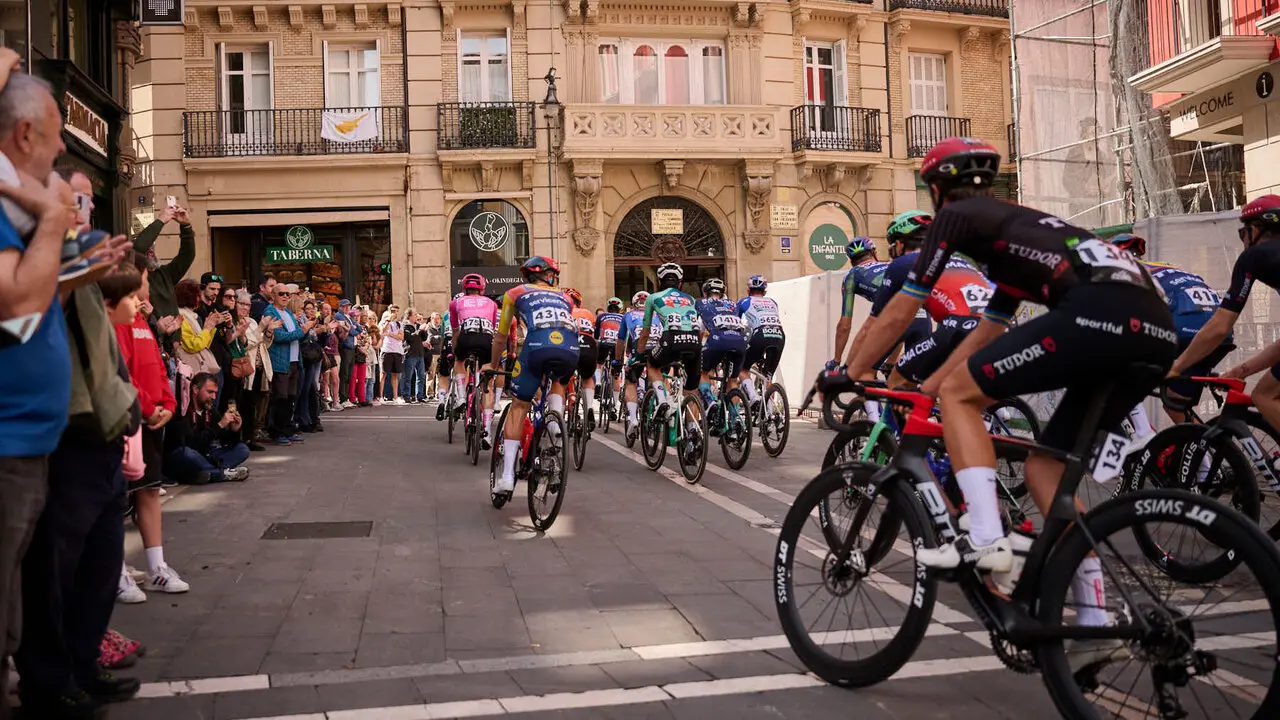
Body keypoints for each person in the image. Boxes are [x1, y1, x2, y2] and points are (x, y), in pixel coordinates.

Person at [842, 136, 1177, 668]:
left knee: (961, 395)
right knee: (1046, 469)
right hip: (1156, 332)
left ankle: (986, 536)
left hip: (1097, 316)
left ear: (936, 189)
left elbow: (903, 310)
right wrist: (928, 391)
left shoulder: (957, 215)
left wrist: (850, 373)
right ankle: (1095, 617)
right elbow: (988, 330)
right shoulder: (1022, 232)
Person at [0, 63, 82, 719]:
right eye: (54, 137)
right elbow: (18, 302)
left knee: (17, 610)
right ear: (23, 133)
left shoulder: (18, 200)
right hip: (7, 441)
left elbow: (35, 305)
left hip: (28, 438)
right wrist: (52, 219)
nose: (61, 151)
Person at [111, 252, 185, 603]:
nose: (149, 282)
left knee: (150, 490)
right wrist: (145, 408)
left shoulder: (140, 320)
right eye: (145, 275)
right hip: (128, 419)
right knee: (117, 497)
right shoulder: (118, 318)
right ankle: (117, 569)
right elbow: (120, 371)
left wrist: (167, 405)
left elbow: (156, 367)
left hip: (152, 418)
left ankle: (156, 566)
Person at [1173, 196, 1280, 431]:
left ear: (1258, 229)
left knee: (1264, 396)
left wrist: (1177, 366)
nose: (1243, 239)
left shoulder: (1256, 256)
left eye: (1244, 232)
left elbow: (1221, 326)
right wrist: (1241, 371)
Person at [1110, 233, 1232, 430]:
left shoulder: (1125, 271)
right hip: (1217, 332)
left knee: (1118, 369)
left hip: (1182, 328)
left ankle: (1143, 434)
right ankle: (1203, 456)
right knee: (1174, 404)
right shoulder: (1167, 267)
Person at [863, 221, 994, 390]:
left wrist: (850, 370)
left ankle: (914, 415)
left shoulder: (904, 263)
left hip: (960, 327)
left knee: (897, 380)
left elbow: (877, 324)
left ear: (900, 245)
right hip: (998, 324)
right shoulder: (959, 260)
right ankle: (998, 414)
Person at [491, 257, 578, 496]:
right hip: (571, 350)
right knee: (559, 379)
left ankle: (507, 477)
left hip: (536, 349)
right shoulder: (566, 297)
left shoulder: (514, 293)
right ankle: (556, 421)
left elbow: (501, 337)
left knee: (519, 406)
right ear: (550, 276)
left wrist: (492, 363)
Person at [164, 373, 250, 484]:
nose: (214, 397)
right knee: (188, 454)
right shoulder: (183, 409)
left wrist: (234, 430)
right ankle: (221, 474)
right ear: (195, 389)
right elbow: (192, 443)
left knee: (242, 449)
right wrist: (219, 426)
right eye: (210, 392)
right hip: (184, 455)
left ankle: (208, 473)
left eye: (215, 393)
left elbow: (225, 441)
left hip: (205, 454)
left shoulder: (210, 410)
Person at [636, 263, 702, 405]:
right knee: (691, 390)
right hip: (694, 341)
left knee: (653, 365)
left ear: (659, 281)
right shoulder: (690, 299)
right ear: (680, 283)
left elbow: (645, 332)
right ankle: (692, 426)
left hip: (671, 338)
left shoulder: (653, 298)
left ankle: (662, 401)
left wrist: (638, 354)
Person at [444, 276, 499, 436]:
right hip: (486, 339)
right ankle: (487, 432)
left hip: (466, 336)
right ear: (482, 288)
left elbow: (455, 331)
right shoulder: (492, 303)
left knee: (460, 361)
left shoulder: (455, 303)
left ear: (464, 289)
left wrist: (455, 352)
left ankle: (461, 397)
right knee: (487, 386)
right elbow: (494, 332)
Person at [131, 204, 196, 321]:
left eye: (152, 248)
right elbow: (139, 248)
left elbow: (187, 255)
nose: (150, 251)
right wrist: (161, 220)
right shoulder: (135, 276)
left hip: (174, 337)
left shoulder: (165, 274)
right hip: (154, 334)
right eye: (148, 248)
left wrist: (186, 226)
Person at [263, 284, 310, 445]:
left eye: (287, 294)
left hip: (294, 361)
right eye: (281, 293)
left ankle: (287, 429)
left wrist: (306, 331)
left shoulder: (288, 312)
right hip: (280, 362)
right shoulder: (270, 311)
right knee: (280, 398)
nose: (285, 296)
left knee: (291, 397)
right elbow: (279, 336)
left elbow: (297, 335)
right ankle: (277, 432)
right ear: (273, 295)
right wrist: (302, 331)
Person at [695, 278, 748, 409]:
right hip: (740, 342)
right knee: (732, 380)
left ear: (706, 293)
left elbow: (700, 332)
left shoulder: (704, 304)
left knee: (703, 373)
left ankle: (710, 402)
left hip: (718, 341)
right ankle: (735, 420)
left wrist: (697, 348)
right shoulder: (732, 304)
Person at [231, 288, 271, 451]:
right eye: (242, 304)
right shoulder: (235, 322)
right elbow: (247, 344)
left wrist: (268, 332)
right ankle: (240, 438)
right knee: (242, 403)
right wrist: (261, 328)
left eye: (248, 305)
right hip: (243, 369)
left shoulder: (252, 321)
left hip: (258, 368)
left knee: (253, 404)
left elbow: (263, 344)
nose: (245, 308)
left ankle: (250, 437)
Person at [737, 275, 786, 407]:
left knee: (742, 368)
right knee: (768, 375)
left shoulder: (744, 302)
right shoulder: (773, 302)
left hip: (760, 334)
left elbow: (736, 325)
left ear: (748, 290)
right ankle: (769, 413)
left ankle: (753, 397)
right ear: (764, 292)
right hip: (779, 335)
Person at [616, 290, 659, 441]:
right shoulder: (658, 314)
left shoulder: (628, 315)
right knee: (659, 373)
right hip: (658, 347)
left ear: (634, 304)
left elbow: (621, 340)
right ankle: (661, 401)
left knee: (630, 382)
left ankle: (633, 418)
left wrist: (617, 361)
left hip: (639, 346)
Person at [566, 287, 598, 429]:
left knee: (562, 377)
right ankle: (589, 406)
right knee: (587, 377)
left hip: (570, 345)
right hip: (589, 346)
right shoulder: (588, 313)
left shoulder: (564, 312)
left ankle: (571, 398)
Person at [379, 305, 406, 405]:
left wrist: (390, 334)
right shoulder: (383, 322)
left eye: (397, 311)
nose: (395, 313)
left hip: (397, 351)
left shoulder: (399, 324)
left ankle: (395, 397)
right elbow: (382, 331)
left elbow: (401, 337)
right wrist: (388, 321)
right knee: (383, 373)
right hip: (387, 350)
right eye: (393, 311)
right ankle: (381, 396)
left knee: (395, 374)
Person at [335, 298, 359, 406]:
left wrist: (353, 328)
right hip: (345, 347)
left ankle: (346, 397)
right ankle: (343, 398)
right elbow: (353, 331)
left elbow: (358, 328)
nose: (347, 308)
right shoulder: (339, 316)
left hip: (351, 347)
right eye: (344, 306)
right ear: (340, 307)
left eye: (348, 306)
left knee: (349, 373)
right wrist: (353, 329)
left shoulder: (348, 317)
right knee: (344, 373)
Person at [401, 309, 429, 403]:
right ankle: (407, 396)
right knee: (408, 377)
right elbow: (410, 338)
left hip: (420, 353)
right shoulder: (405, 326)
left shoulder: (417, 325)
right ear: (409, 316)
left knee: (421, 376)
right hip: (410, 354)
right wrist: (419, 330)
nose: (416, 316)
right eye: (414, 315)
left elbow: (424, 338)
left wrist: (424, 331)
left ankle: (420, 396)